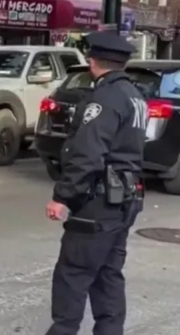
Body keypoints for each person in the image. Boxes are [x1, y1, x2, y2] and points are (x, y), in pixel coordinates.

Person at [45, 31, 146, 335]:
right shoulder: (135, 95)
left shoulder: (105, 97)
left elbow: (88, 154)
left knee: (73, 274)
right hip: (125, 197)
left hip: (99, 202)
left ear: (92, 61)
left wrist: (62, 196)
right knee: (107, 274)